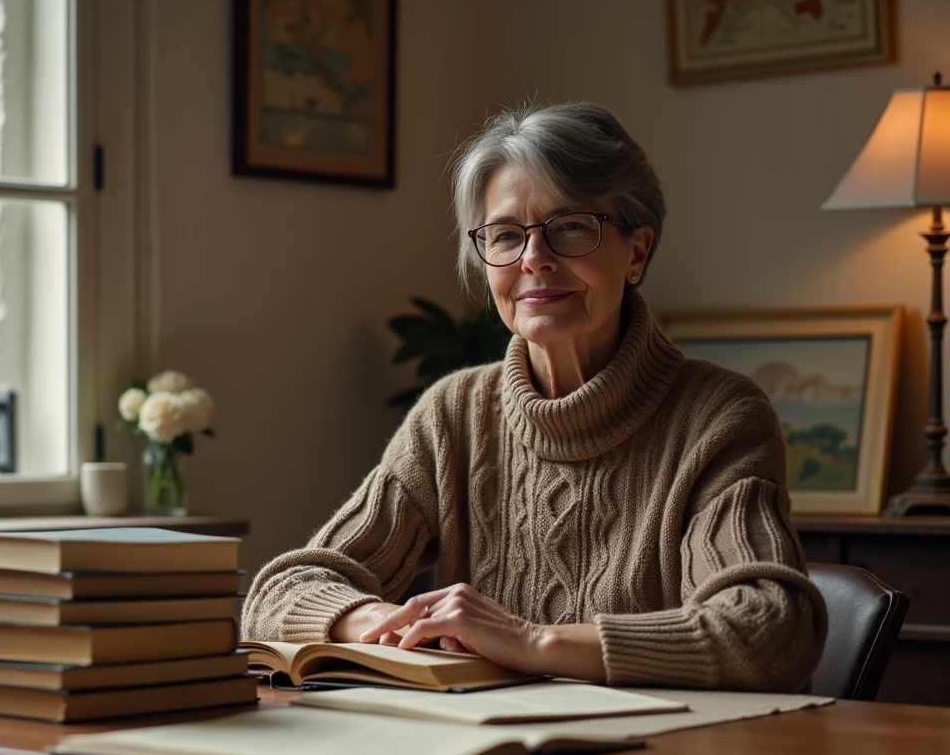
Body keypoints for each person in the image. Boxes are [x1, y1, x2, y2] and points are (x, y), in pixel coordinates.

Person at [241, 102, 827, 691]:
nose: (533, 259)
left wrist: (528, 641)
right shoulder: (453, 415)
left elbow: (770, 628)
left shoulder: (719, 417)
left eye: (570, 227)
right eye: (504, 235)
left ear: (638, 251)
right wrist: (380, 622)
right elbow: (280, 591)